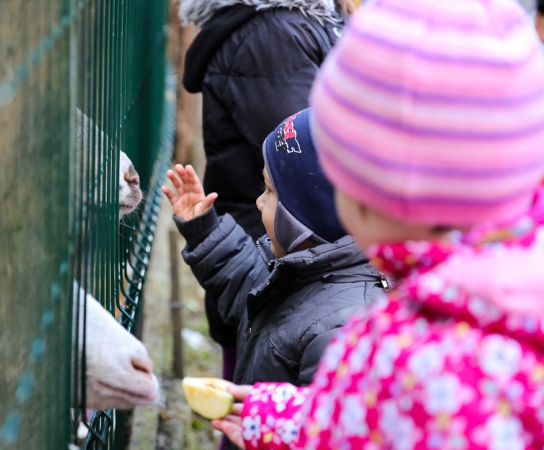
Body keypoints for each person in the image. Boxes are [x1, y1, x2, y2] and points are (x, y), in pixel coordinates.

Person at [208, 0, 544, 448]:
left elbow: (363, 416)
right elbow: (369, 413)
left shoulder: (392, 349)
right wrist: (278, 416)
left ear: (371, 197)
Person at [162, 106, 385, 406]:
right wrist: (204, 229)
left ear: (304, 216)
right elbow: (244, 281)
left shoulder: (341, 332)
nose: (258, 201)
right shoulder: (297, 268)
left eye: (269, 191)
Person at [178, 0, 353, 380]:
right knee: (256, 408)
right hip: (285, 265)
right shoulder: (272, 35)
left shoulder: (299, 23)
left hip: (295, 272)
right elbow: (311, 170)